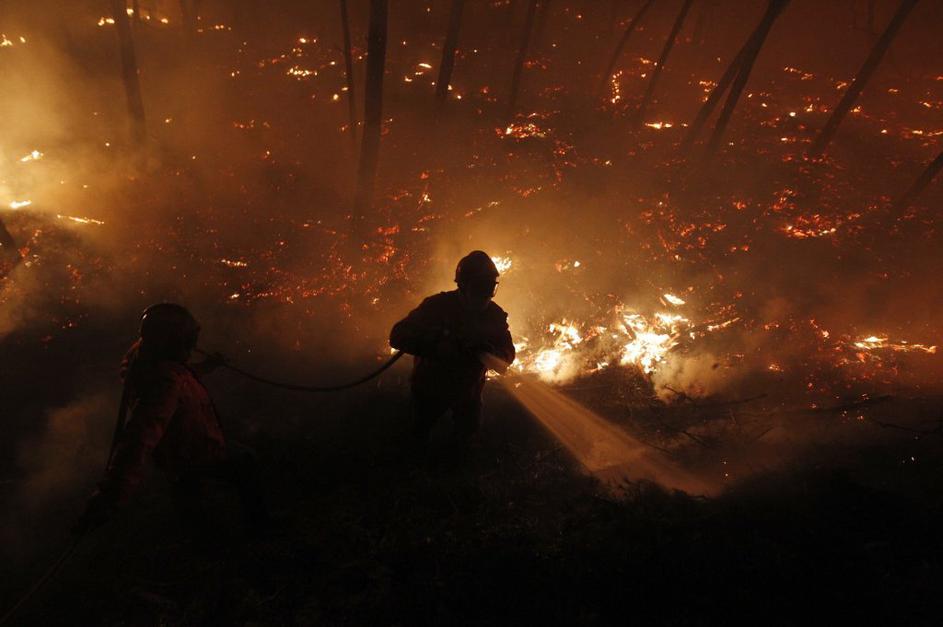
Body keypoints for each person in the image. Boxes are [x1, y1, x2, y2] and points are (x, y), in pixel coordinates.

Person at [74, 303, 266, 538]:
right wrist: (109, 497)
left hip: (181, 451)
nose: (192, 346)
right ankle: (255, 530)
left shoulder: (151, 362)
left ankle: (208, 540)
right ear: (171, 341)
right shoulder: (164, 384)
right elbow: (138, 440)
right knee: (243, 463)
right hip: (194, 451)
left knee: (194, 502)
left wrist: (206, 367)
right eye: (186, 340)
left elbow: (179, 375)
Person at [390, 251, 515, 449]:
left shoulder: (494, 315)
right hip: (430, 388)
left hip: (468, 392)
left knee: (466, 442)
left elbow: (507, 352)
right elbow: (398, 335)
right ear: (463, 285)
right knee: (417, 437)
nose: (485, 295)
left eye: (490, 287)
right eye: (479, 287)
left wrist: (492, 354)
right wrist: (438, 345)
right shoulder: (437, 307)